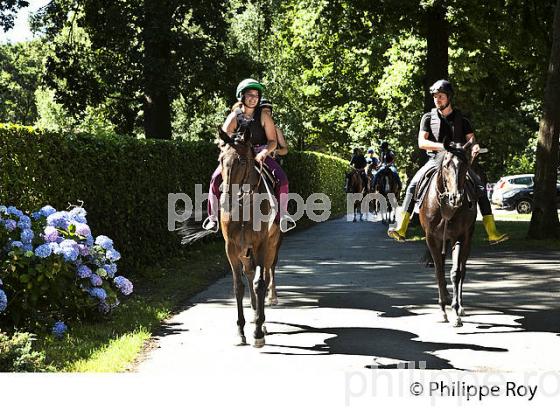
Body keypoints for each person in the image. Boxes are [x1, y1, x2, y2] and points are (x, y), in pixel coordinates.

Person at [387, 79, 508, 244]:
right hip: (435, 160)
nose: (437, 99)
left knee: (479, 186)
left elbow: (472, 141)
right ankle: (401, 227)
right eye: (435, 96)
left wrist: (475, 148)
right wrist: (443, 147)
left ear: (449, 97)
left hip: (458, 162)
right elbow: (422, 143)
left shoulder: (463, 120)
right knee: (413, 185)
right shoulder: (428, 118)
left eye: (441, 96)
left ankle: (491, 231)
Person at [203, 79, 296, 233]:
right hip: (238, 155)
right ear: (242, 96)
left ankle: (283, 215)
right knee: (215, 179)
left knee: (282, 179)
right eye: (250, 94)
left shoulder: (264, 116)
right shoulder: (234, 116)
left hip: (260, 153)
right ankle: (212, 218)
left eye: (256, 95)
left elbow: (272, 141)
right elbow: (222, 139)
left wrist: (265, 152)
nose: (253, 98)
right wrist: (231, 149)